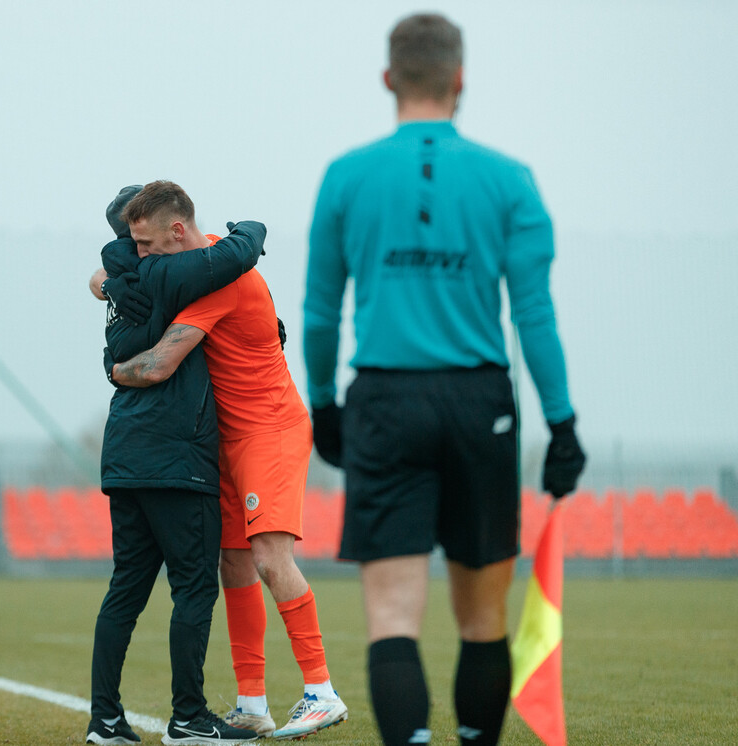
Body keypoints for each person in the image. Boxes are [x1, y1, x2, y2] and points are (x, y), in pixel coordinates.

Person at [302, 14, 587, 745]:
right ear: (460, 79)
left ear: (389, 79)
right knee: (482, 619)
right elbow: (534, 316)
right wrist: (561, 423)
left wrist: (325, 403)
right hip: (478, 404)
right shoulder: (510, 180)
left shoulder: (346, 176)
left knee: (393, 617)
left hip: (384, 402)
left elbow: (319, 314)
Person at [108, 181, 348, 741]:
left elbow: (158, 366)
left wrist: (114, 369)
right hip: (227, 441)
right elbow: (109, 278)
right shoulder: (200, 264)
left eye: (145, 244)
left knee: (268, 558)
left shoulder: (221, 278)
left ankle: (321, 691)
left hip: (270, 432)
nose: (139, 256)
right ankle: (252, 703)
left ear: (177, 230)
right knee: (234, 565)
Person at [87, 184, 263, 746]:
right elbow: (231, 258)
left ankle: (105, 721)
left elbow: (115, 358)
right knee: (193, 589)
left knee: (126, 591)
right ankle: (188, 718)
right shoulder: (167, 272)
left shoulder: (117, 279)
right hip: (177, 458)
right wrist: (252, 231)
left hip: (125, 456)